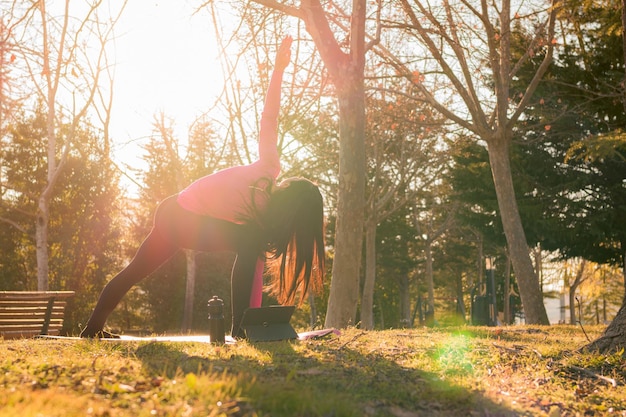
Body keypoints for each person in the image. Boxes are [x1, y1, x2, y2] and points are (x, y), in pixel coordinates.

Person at [80, 36, 325, 339]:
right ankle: (238, 328)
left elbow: (253, 269)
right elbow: (269, 118)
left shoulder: (263, 207)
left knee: (136, 270)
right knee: (246, 243)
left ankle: (91, 331)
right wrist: (278, 71)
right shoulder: (268, 173)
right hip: (180, 216)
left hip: (177, 213)